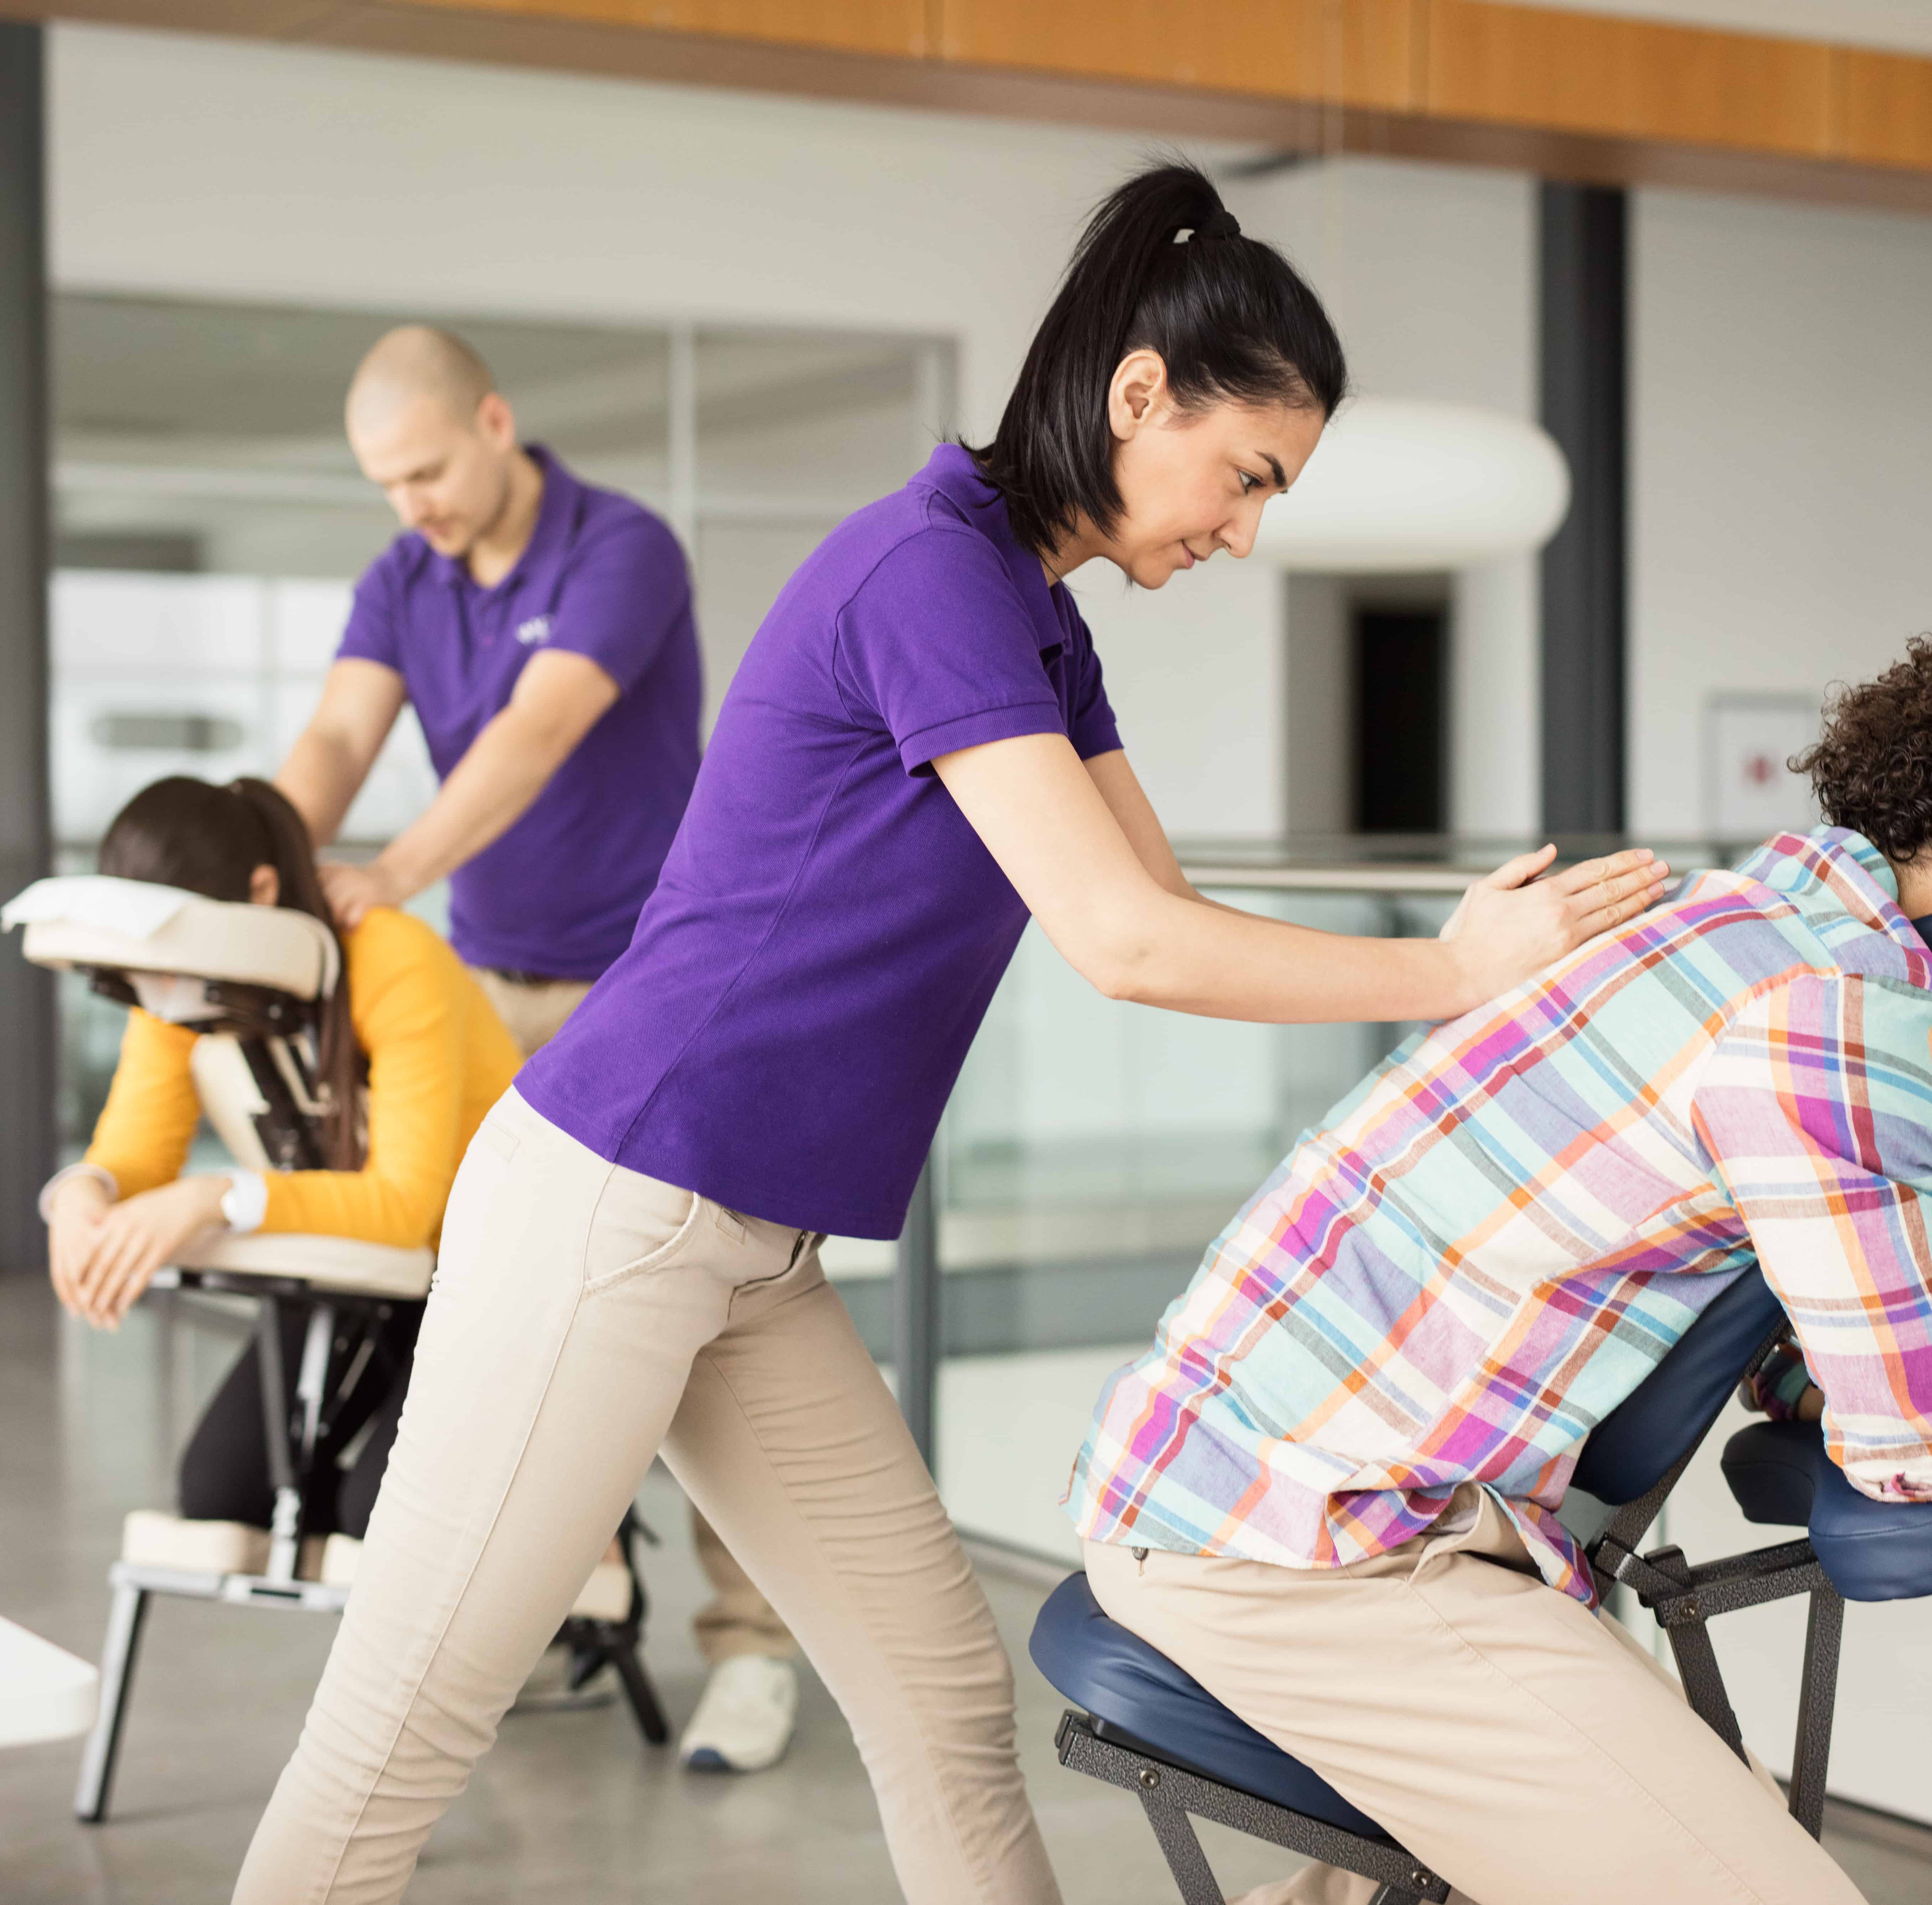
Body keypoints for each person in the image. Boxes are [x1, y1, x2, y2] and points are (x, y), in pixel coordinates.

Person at [233, 160, 1662, 1905]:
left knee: (938, 1691)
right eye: (1246, 475)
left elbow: (1159, 903)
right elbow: (1125, 945)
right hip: (615, 1200)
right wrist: (1450, 977)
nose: (1244, 528)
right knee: (399, 1733)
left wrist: (1468, 970)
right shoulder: (934, 571)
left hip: (743, 1250)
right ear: (1139, 396)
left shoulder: (1033, 613)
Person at [1064, 618, 1932, 1905]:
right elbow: (1925, 1450)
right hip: (1323, 1544)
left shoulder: (1725, 916)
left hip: (1234, 1488)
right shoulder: (1840, 1007)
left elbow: (1782, 1328)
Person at [271, 323, 804, 1771]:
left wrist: (388, 869)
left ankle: (753, 1652)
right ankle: (545, 1600)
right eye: (385, 484)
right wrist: (254, 852)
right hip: (485, 995)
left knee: (708, 1317)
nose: (412, 507)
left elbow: (532, 731)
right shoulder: (405, 577)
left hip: (660, 989)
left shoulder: (621, 549)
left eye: (428, 471)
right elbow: (333, 736)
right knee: (490, 1312)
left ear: (495, 423)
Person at [41, 776, 519, 1556]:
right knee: (222, 1494)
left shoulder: (392, 959)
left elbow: (406, 1205)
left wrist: (215, 1198)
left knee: (382, 1518)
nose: (157, 985)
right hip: (353, 1273)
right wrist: (80, 1194)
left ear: (261, 891)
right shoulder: (173, 985)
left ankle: (574, 1535)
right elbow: (136, 1150)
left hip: (482, 1274)